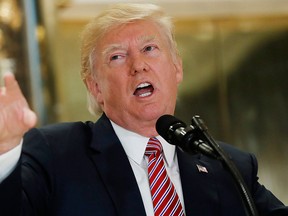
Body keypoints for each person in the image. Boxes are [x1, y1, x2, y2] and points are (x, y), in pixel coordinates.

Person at [0, 3, 287, 216]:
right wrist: (5, 148)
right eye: (117, 56)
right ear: (95, 87)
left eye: (149, 48)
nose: (138, 65)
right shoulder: (57, 153)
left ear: (177, 67)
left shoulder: (228, 167)